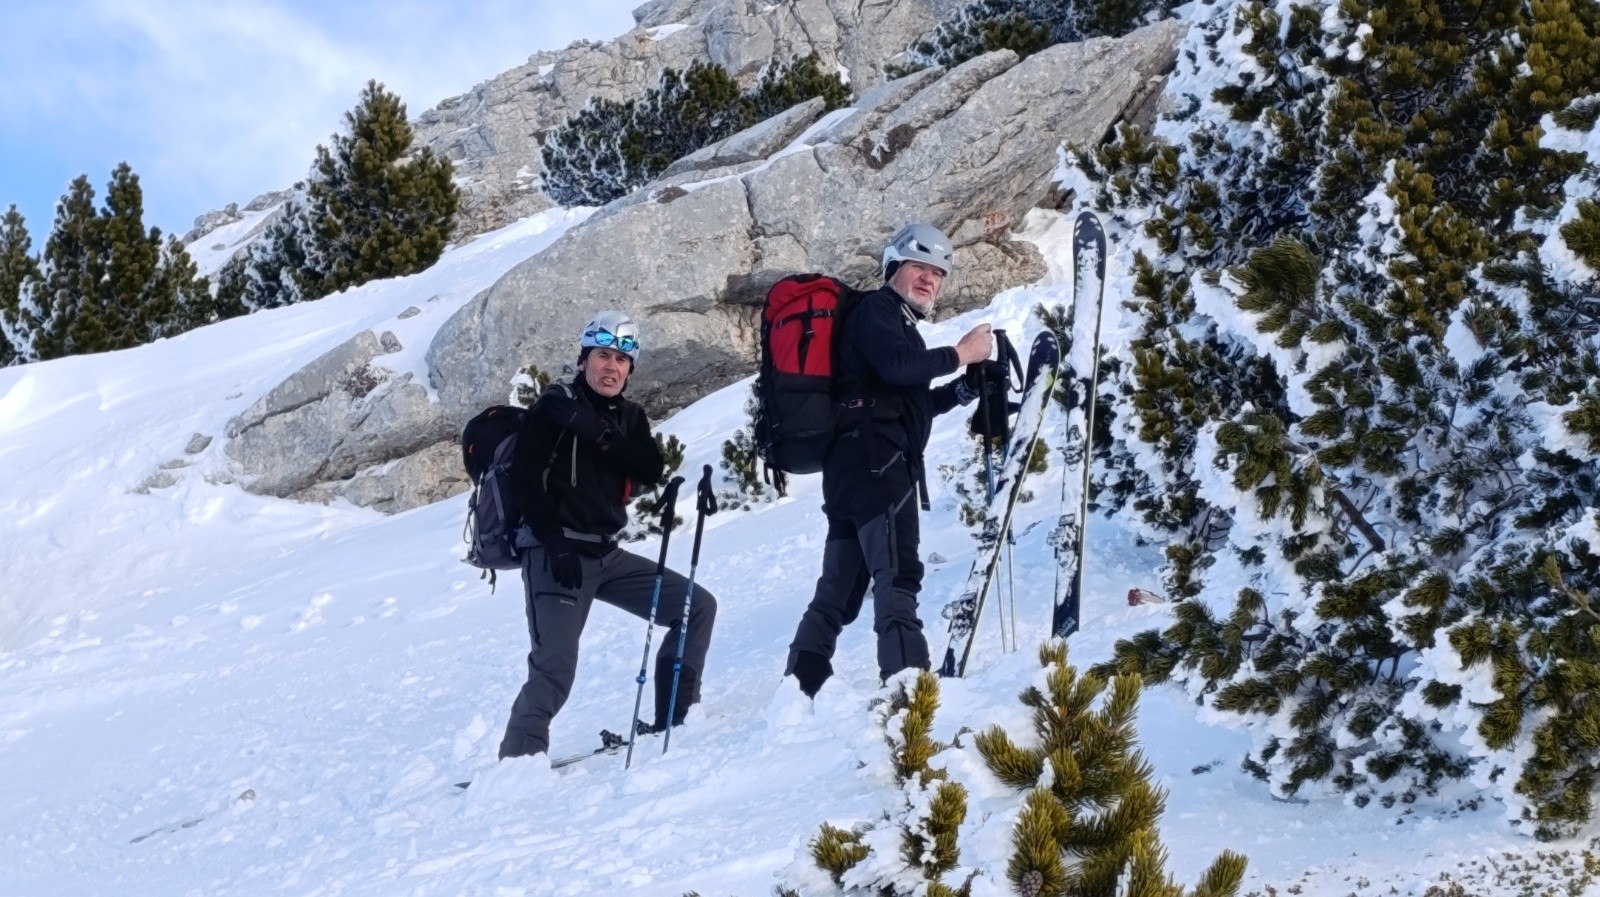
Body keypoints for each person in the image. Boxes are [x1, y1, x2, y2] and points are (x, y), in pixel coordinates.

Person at [783, 224, 993, 695]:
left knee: (839, 590)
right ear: (893, 268)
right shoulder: (879, 311)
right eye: (919, 267)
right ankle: (909, 690)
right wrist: (961, 353)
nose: (929, 280)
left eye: (937, 273)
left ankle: (800, 687)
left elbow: (904, 401)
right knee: (897, 575)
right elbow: (900, 370)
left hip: (851, 470)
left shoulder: (891, 328)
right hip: (878, 467)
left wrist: (958, 391)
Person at [498, 311, 718, 760]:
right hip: (555, 554)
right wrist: (552, 542)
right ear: (584, 360)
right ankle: (517, 762)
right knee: (555, 667)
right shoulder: (553, 407)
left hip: (606, 556)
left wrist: (592, 429)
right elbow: (525, 483)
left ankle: (677, 718)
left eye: (622, 358)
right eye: (602, 355)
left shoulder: (629, 417)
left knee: (695, 606)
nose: (611, 366)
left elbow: (650, 468)